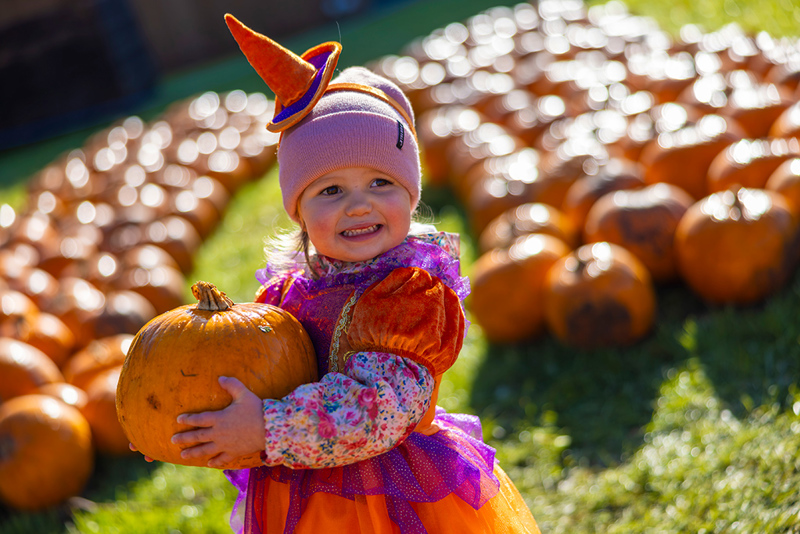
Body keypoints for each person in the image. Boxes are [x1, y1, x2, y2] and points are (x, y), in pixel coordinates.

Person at [169, 14, 542, 534]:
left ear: (411, 194)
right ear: (298, 210)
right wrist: (184, 413)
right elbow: (257, 367)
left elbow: (380, 409)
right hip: (299, 492)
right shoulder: (285, 293)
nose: (359, 205)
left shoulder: (409, 296)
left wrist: (266, 428)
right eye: (330, 190)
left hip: (391, 493)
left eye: (380, 182)